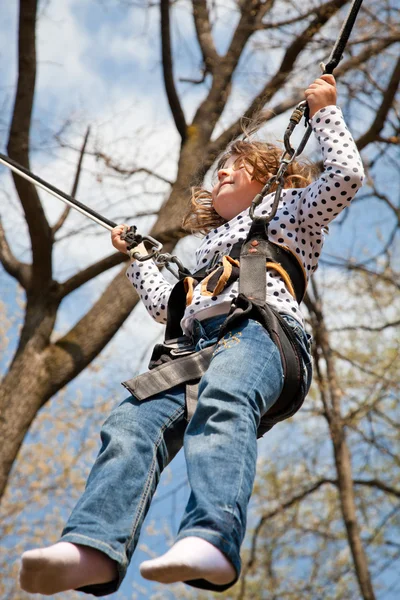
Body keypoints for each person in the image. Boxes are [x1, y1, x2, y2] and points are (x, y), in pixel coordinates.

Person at [19, 74, 364, 596]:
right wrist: (138, 260)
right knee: (131, 422)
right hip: (194, 350)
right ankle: (93, 546)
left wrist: (326, 113)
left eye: (235, 165)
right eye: (219, 167)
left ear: (268, 176)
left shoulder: (290, 213)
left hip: (261, 335)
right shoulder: (203, 255)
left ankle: (211, 536)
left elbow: (344, 174)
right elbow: (166, 306)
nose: (221, 170)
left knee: (224, 398)